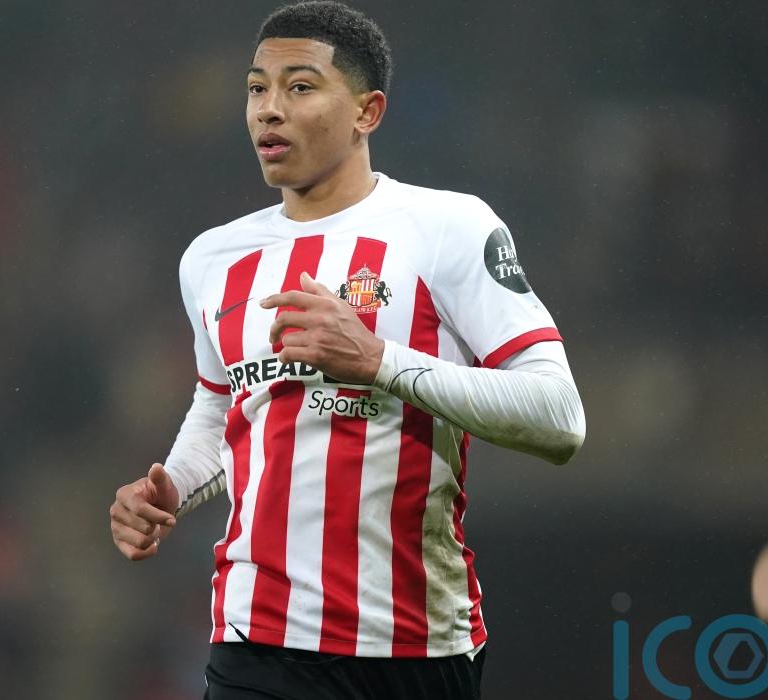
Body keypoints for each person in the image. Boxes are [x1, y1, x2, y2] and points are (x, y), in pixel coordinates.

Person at [109, 2, 586, 697]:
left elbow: (559, 418)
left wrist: (377, 361)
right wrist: (171, 488)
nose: (269, 109)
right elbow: (222, 406)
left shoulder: (447, 228)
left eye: (300, 87)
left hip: (414, 646)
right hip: (254, 643)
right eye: (256, 88)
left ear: (368, 111)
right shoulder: (212, 258)